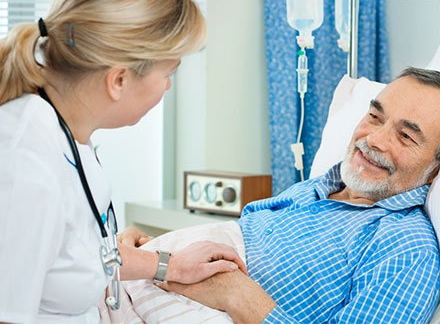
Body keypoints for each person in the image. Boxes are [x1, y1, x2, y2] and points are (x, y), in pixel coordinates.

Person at [119, 67, 440, 324]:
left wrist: (239, 296)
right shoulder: (317, 187)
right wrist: (155, 253)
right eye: (374, 116)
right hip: (128, 287)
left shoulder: (406, 248)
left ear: (436, 165)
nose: (374, 139)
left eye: (406, 136)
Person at [0, 0, 246, 323]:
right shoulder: (24, 165)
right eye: (168, 73)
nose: (168, 86)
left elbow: (73, 255)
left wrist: (169, 265)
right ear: (119, 80)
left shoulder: (65, 131)